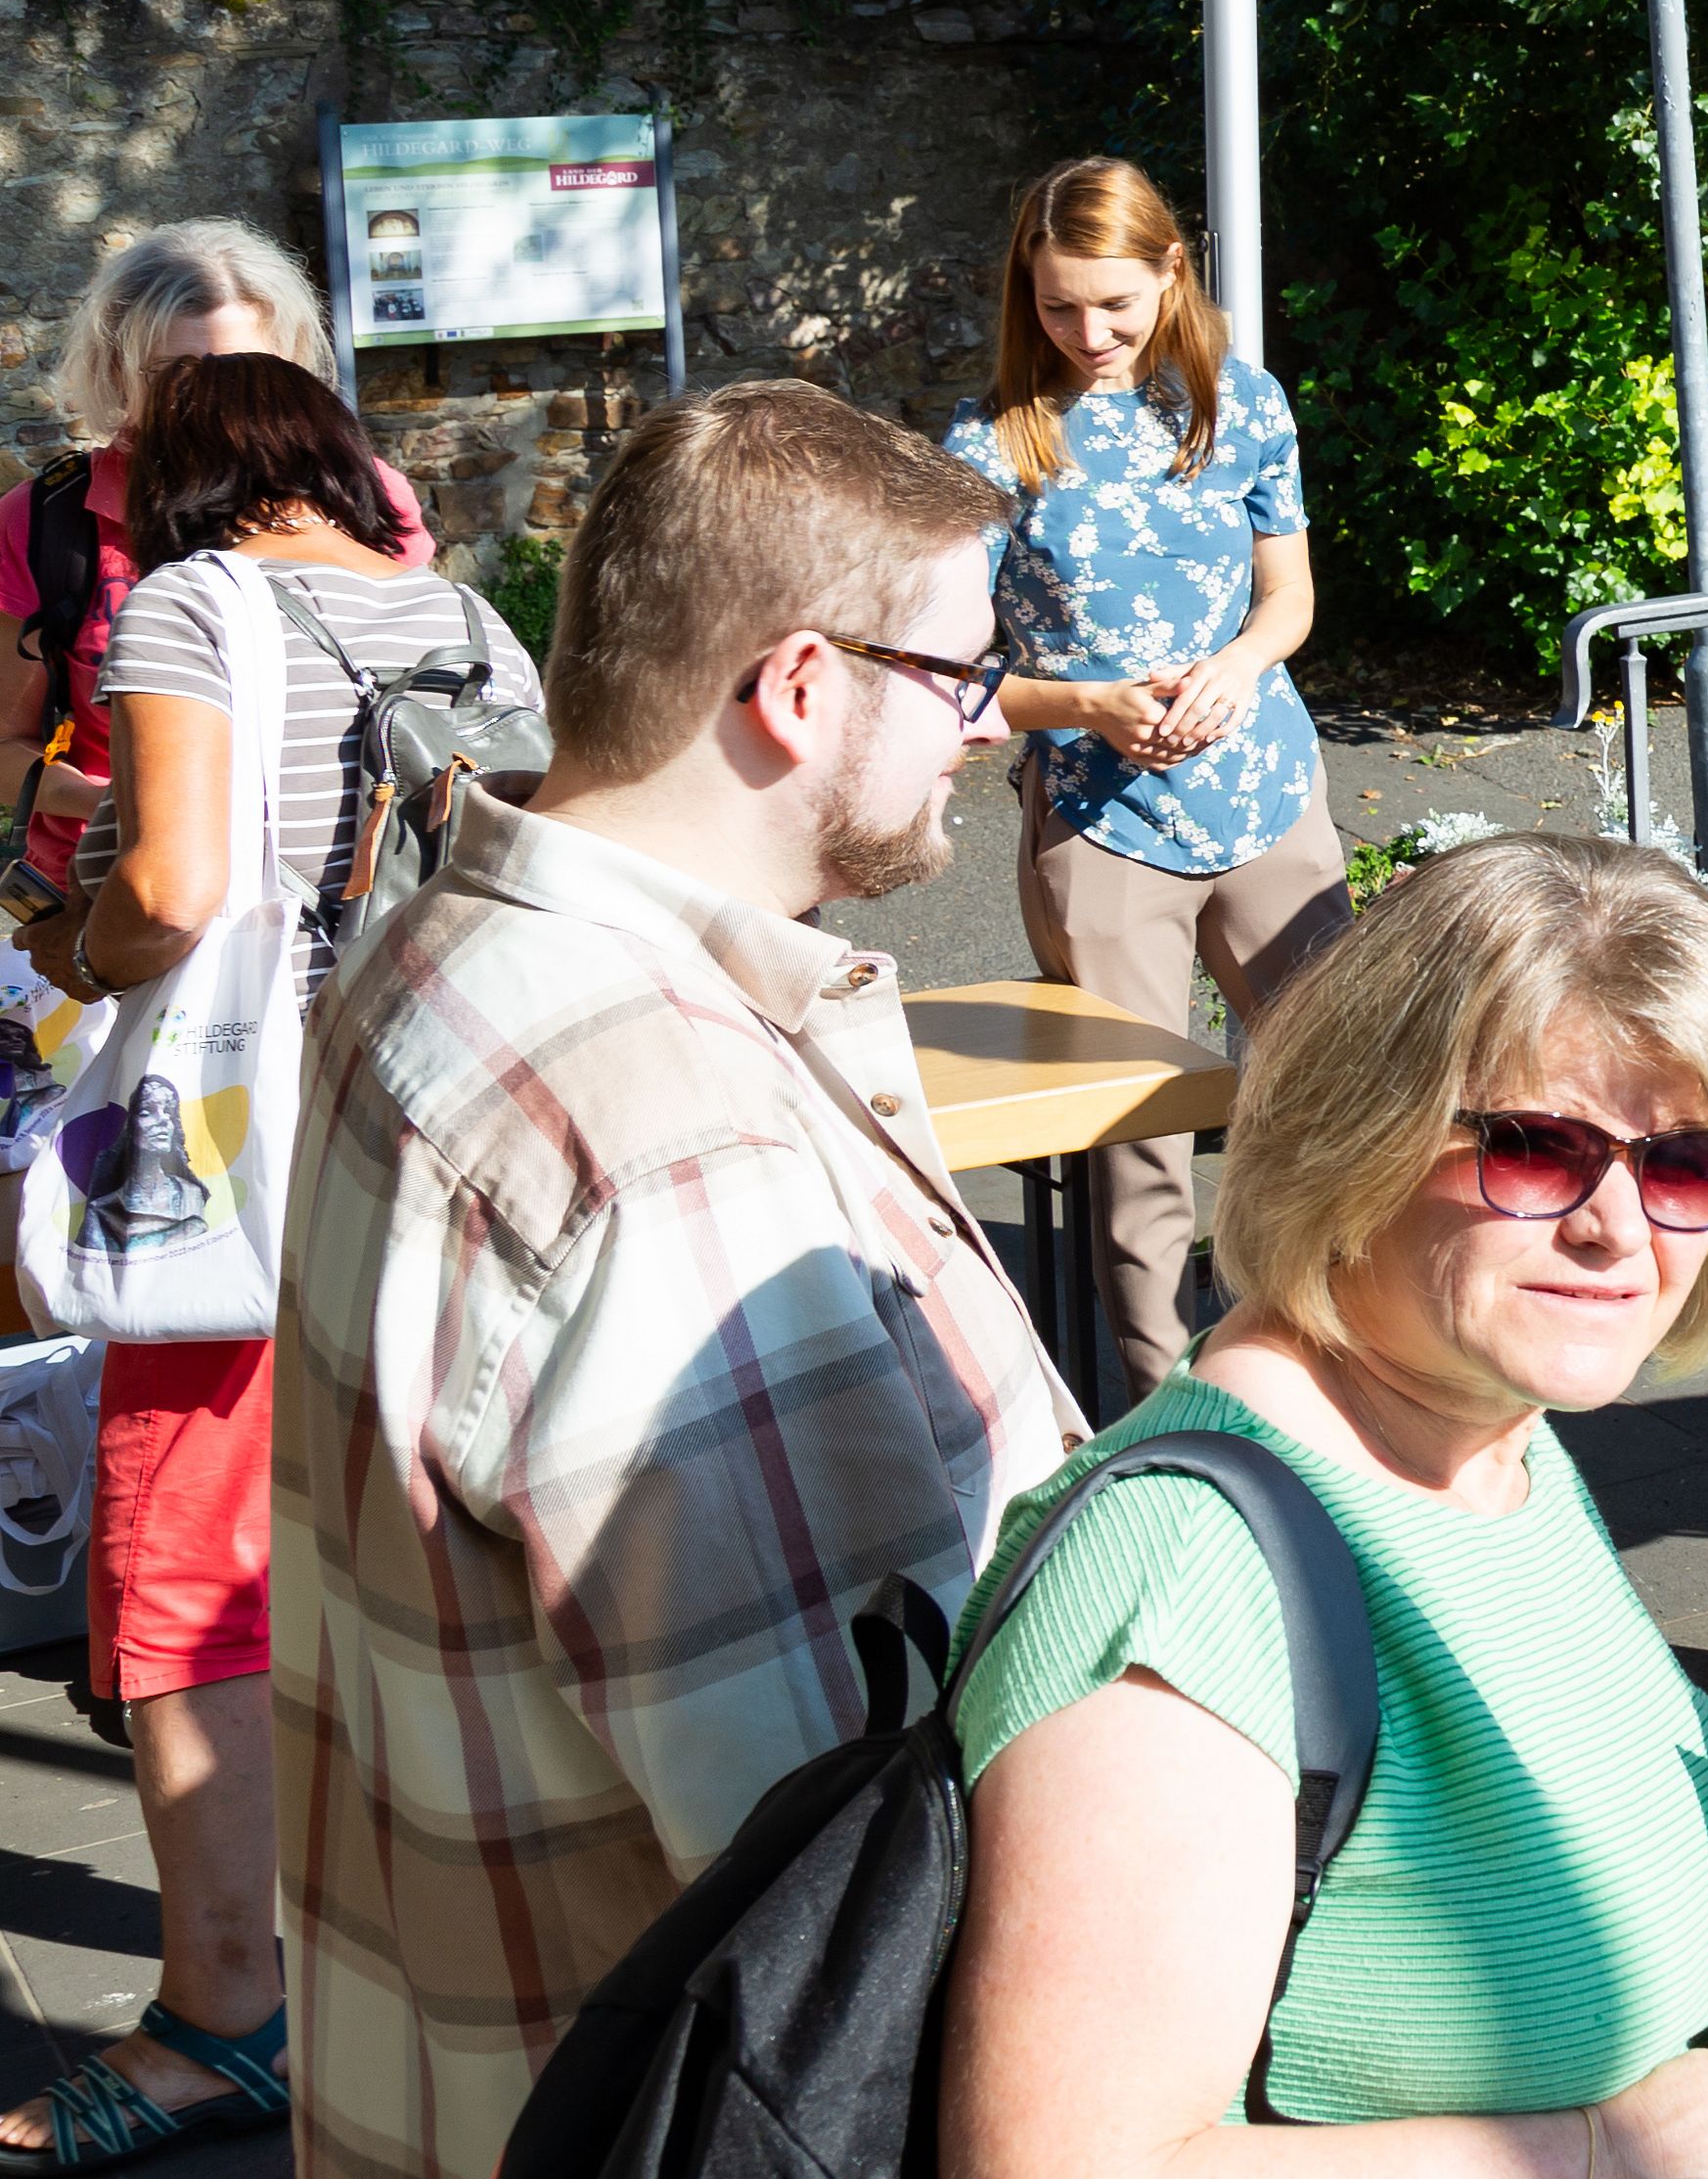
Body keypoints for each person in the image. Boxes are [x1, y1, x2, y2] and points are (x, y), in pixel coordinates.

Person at [278, 382, 1078, 2179]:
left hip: (457, 2079)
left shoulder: (423, 951)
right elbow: (851, 1884)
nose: (987, 725)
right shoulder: (668, 1138)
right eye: (960, 673)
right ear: (799, 685)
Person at [944, 835, 1708, 2174]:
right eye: (1536, 1149)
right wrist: (1601, 2151)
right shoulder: (1183, 1574)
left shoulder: (1493, 1448)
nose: (1619, 1227)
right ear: (1358, 1130)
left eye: (1689, 1161)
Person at [0, 357, 523, 2167]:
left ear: (182, 486)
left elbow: (169, 887)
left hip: (246, 1181)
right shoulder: (466, 621)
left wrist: (64, 931)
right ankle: (413, 1963)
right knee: (399, 1566)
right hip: (450, 1141)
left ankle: (225, 2012)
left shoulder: (184, 610)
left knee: (182, 1582)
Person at [944, 156, 1349, 1395]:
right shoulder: (986, 445)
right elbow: (947, 682)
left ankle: (1323, 1353)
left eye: (1114, 304)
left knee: (1328, 1093)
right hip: (1101, 822)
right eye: (1060, 307)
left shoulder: (1245, 407)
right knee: (1138, 1139)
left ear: (1172, 272)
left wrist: (1238, 666)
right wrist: (1082, 707)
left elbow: (1290, 598)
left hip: (1268, 794)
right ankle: (1162, 1403)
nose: (1090, 334)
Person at [6, 221, 428, 907]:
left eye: (249, 375)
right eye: (181, 379)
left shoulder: (364, 501)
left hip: (321, 897)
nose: (217, 409)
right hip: (99, 899)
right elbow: (7, 746)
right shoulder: (48, 519)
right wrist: (135, 804)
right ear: (118, 372)